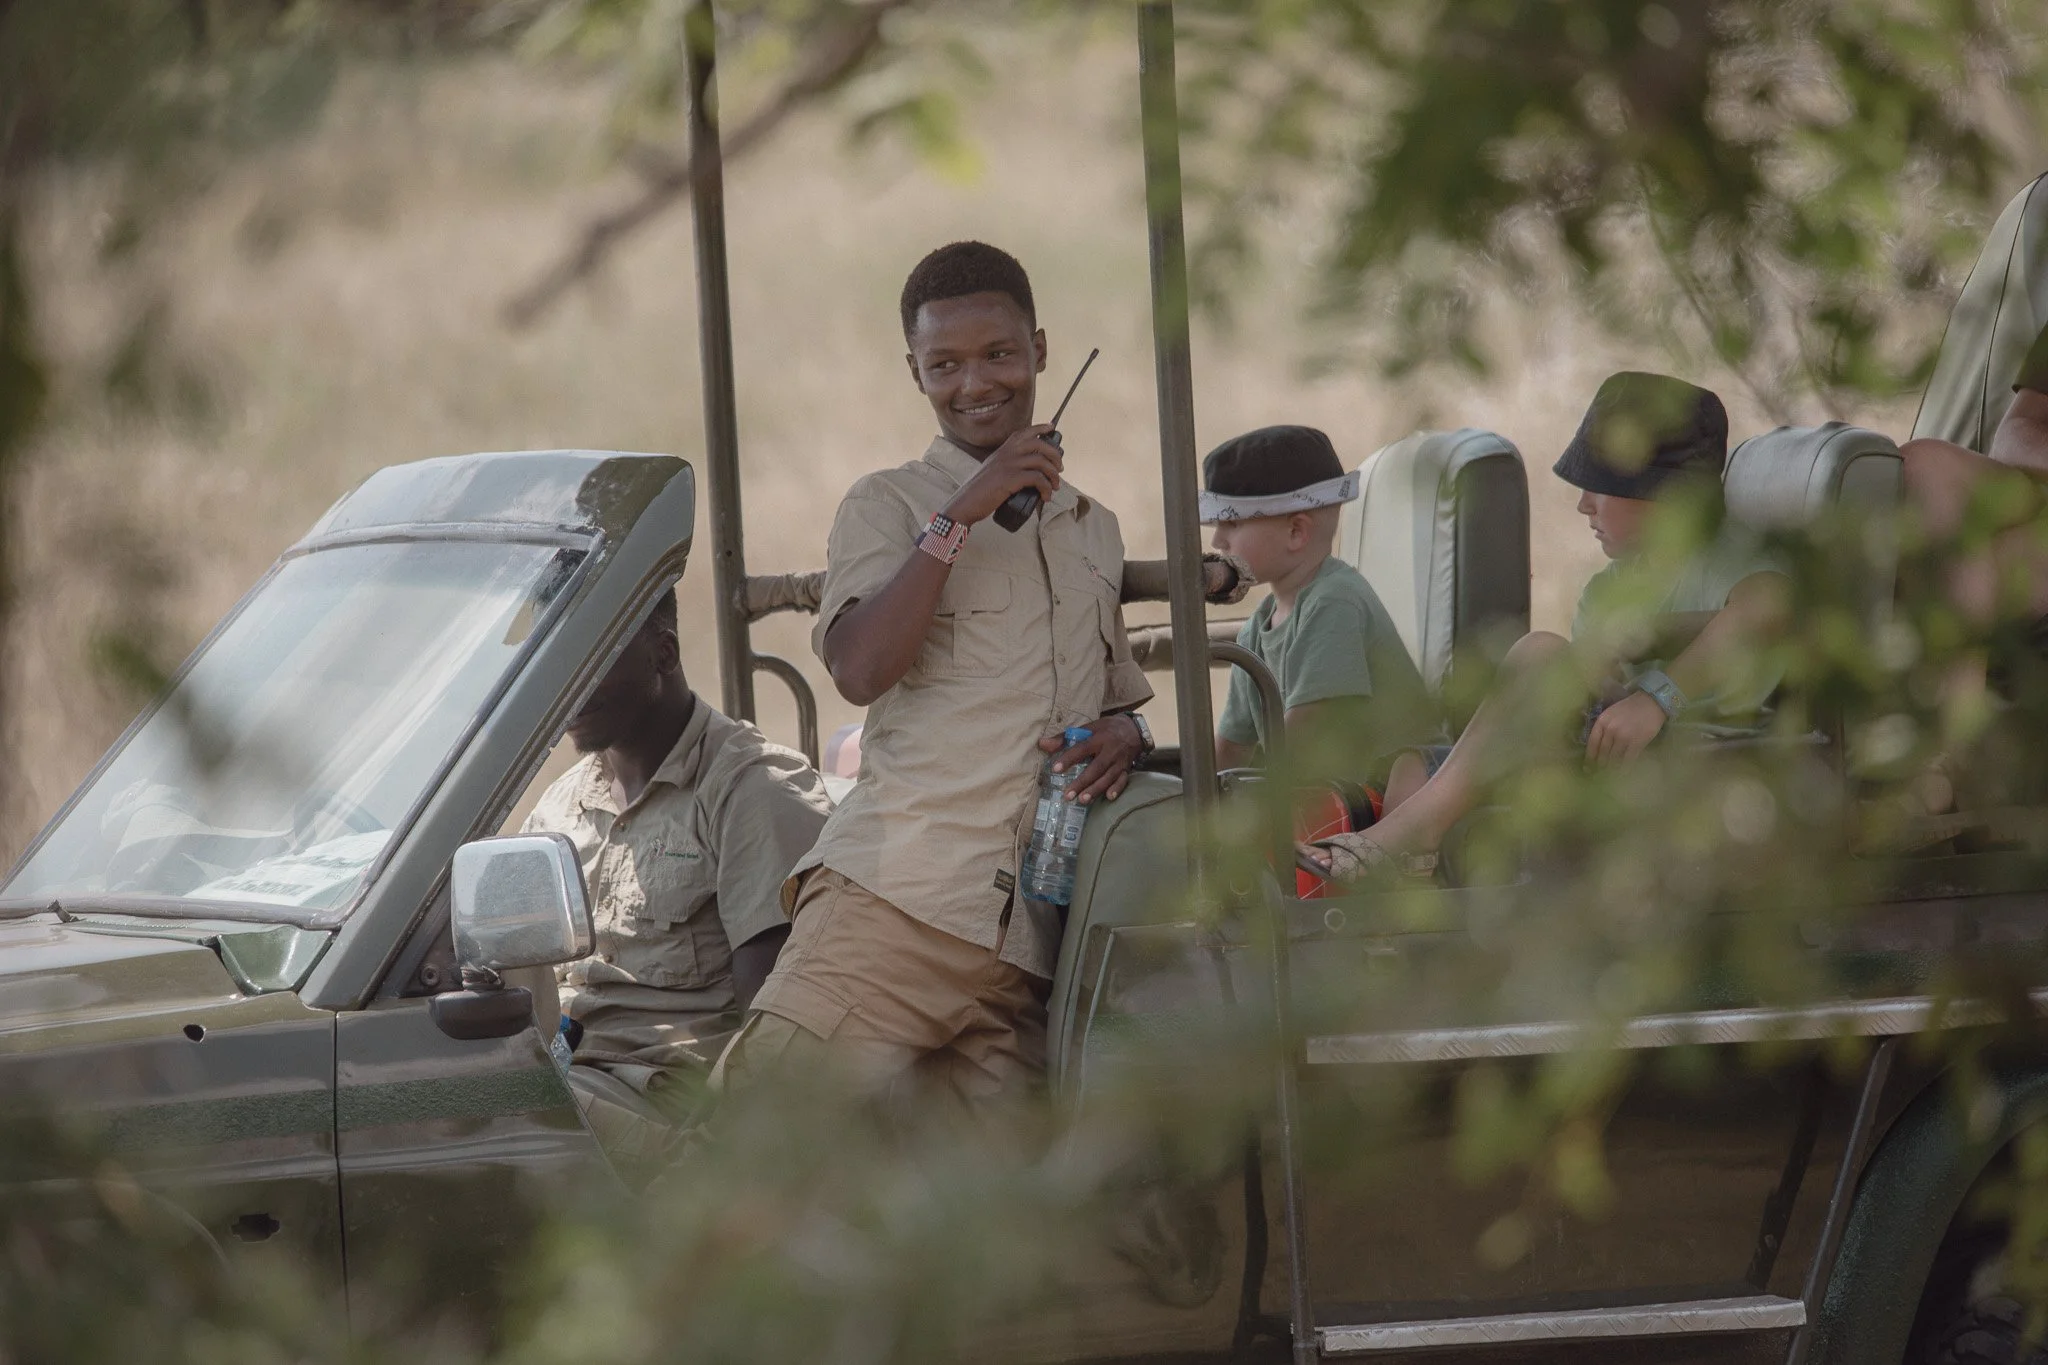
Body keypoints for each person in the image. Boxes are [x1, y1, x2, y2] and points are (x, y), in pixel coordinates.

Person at [714, 240, 1158, 1110]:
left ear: (1040, 349)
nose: (976, 383)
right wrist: (960, 516)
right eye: (944, 364)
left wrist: (1126, 736)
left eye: (998, 354)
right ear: (914, 374)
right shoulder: (888, 504)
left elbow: (1114, 706)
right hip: (893, 910)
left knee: (1003, 1231)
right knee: (749, 1155)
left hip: (1024, 950)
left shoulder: (1092, 530)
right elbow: (860, 667)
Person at [1305, 372, 1792, 883]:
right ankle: (1406, 921)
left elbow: (1763, 610)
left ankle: (1399, 841)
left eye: (1601, 489)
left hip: (1702, 752)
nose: (1584, 504)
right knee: (1413, 764)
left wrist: (1656, 700)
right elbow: (1596, 692)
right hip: (1611, 749)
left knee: (1538, 651)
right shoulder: (1609, 587)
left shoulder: (1726, 555)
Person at [523, 589, 831, 1155]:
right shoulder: (562, 805)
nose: (568, 688)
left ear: (662, 656)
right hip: (566, 1073)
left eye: (589, 661)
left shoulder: (752, 791)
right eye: (556, 663)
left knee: (494, 1119)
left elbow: (776, 1027)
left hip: (662, 1104)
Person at [1204, 424, 1441, 784]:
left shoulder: (1334, 602)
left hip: (1400, 788)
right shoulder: (1256, 628)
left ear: (1296, 532)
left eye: (1232, 523)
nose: (1218, 540)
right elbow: (1231, 748)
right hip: (1331, 796)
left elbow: (1305, 741)